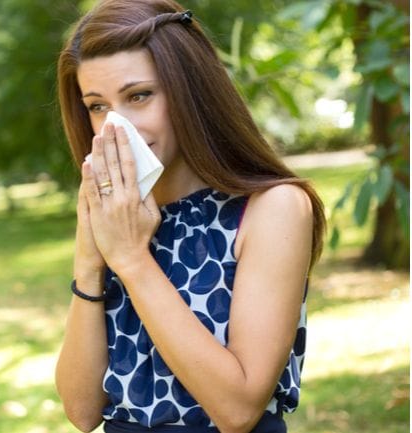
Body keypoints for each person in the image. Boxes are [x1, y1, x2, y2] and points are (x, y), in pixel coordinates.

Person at [53, 1, 327, 432]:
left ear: (189, 91)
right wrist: (89, 263)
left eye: (138, 96)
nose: (117, 127)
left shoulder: (272, 208)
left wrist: (130, 259)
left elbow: (237, 411)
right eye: (97, 106)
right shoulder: (121, 214)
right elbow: (83, 411)